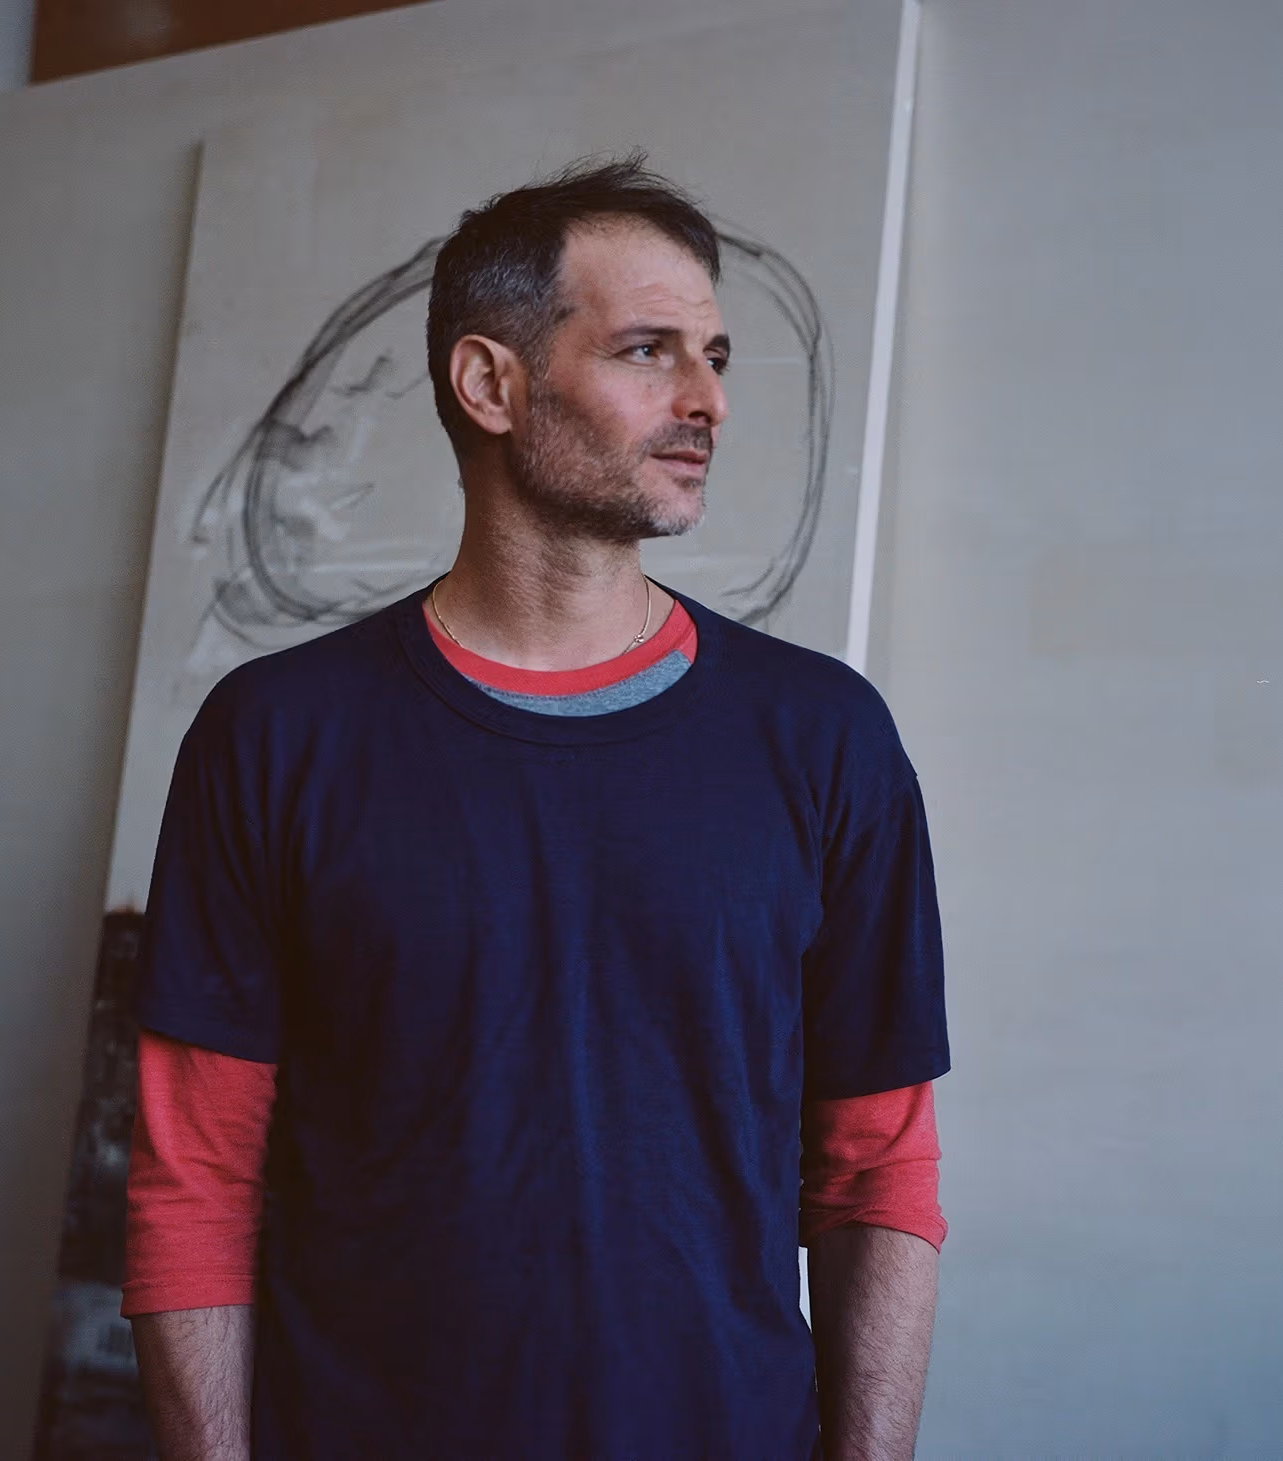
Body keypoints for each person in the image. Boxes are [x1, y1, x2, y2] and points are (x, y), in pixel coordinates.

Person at [123, 155, 950, 1461]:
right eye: (648, 351)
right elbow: (192, 1180)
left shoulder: (823, 738)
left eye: (717, 355)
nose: (708, 401)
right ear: (490, 383)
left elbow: (878, 1165)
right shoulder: (277, 736)